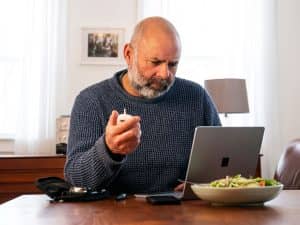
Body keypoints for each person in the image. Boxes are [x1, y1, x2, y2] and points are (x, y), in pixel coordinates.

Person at [64, 16, 221, 195]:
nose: (164, 74)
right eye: (155, 62)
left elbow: (222, 163)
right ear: (129, 55)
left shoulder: (196, 97)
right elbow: (76, 179)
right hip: (113, 216)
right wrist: (109, 149)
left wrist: (203, 185)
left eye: (173, 64)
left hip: (181, 213)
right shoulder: (91, 101)